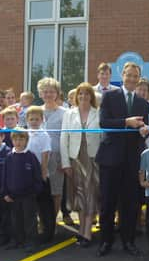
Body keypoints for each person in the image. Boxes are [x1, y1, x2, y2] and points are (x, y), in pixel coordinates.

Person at [95, 61, 149, 257]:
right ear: (123, 75)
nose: (132, 79)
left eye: (136, 76)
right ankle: (106, 241)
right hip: (110, 159)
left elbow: (142, 132)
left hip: (132, 159)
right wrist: (125, 122)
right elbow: (104, 122)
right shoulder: (109, 96)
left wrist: (144, 131)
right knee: (108, 203)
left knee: (130, 203)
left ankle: (129, 241)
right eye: (129, 75)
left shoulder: (143, 103)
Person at [61, 83, 101, 247]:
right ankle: (81, 230)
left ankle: (87, 233)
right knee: (78, 195)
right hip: (75, 159)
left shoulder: (98, 114)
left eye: (86, 94)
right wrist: (65, 163)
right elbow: (64, 138)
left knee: (91, 194)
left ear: (91, 96)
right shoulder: (69, 114)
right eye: (80, 94)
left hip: (93, 160)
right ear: (76, 97)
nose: (83, 97)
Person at [1, 129, 43, 252]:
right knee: (15, 219)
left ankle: (32, 241)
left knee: (29, 219)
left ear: (26, 141)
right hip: (13, 195)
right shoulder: (9, 157)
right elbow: (5, 176)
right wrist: (5, 192)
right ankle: (18, 240)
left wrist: (35, 190)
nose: (18, 142)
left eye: (21, 139)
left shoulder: (31, 156)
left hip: (28, 195)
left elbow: (37, 176)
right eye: (15, 139)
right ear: (12, 140)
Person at [38, 77, 69, 225]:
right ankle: (42, 221)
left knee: (56, 191)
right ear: (40, 94)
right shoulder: (35, 112)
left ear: (57, 94)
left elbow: (67, 138)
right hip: (38, 157)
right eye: (45, 92)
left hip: (57, 156)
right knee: (39, 190)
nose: (48, 94)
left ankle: (52, 223)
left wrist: (65, 160)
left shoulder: (65, 113)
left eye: (52, 91)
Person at [24, 106, 53, 243]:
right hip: (27, 175)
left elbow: (45, 155)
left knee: (44, 205)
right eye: (31, 119)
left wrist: (43, 174)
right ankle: (31, 231)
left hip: (40, 175)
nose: (34, 122)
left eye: (37, 119)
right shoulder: (25, 134)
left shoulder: (44, 135)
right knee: (30, 206)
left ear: (42, 120)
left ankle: (47, 232)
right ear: (27, 120)